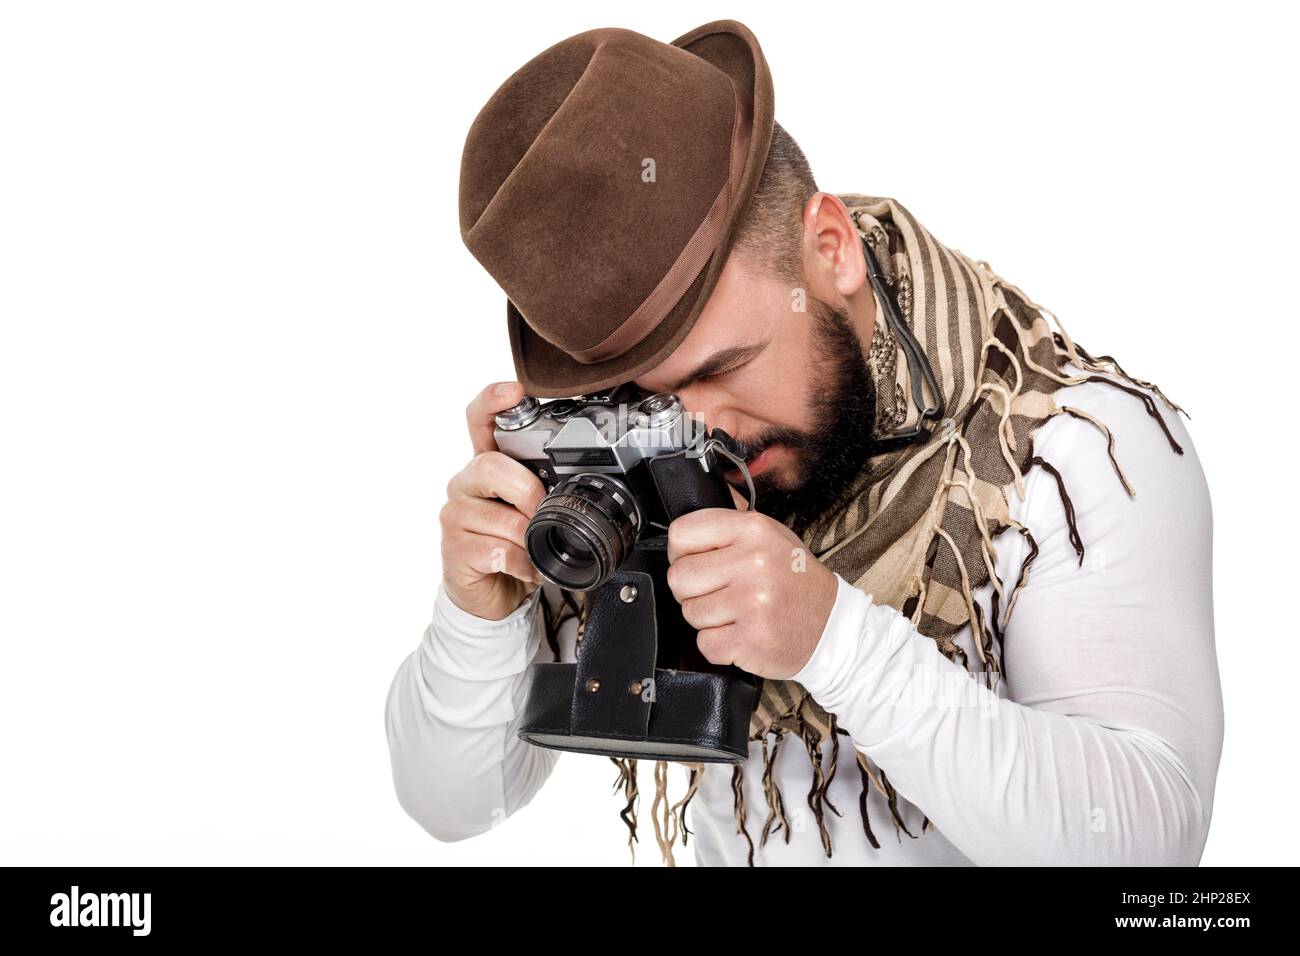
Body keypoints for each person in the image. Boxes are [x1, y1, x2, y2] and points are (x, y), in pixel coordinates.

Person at [384, 20, 1223, 866]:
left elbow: (1146, 849)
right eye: (646, 397)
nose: (697, 429)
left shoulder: (1067, 447)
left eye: (724, 367)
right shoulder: (634, 452)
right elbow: (455, 805)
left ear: (832, 249)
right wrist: (481, 614)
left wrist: (834, 641)